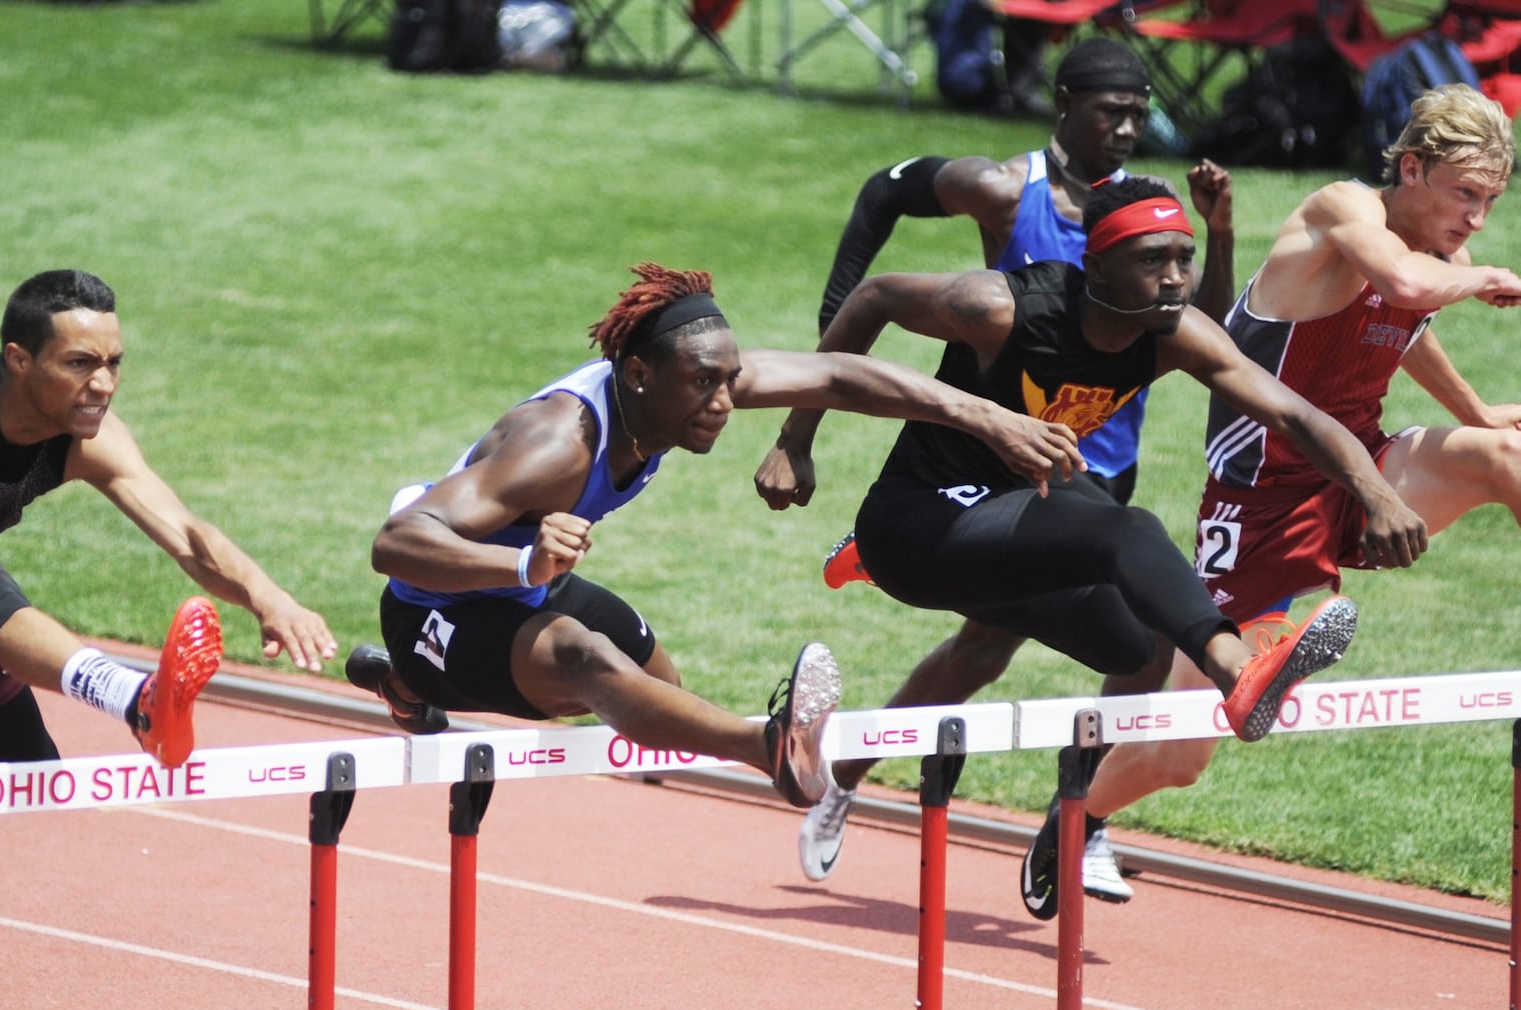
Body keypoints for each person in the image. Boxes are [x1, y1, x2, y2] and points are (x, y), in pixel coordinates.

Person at [756, 175, 1435, 916]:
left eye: (1184, 257)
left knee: (1132, 649)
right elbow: (875, 297)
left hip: (1016, 514)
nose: (1175, 276)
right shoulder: (1003, 308)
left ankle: (1089, 796)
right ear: (1099, 267)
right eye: (1153, 260)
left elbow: (1296, 415)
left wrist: (1376, 492)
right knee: (1127, 529)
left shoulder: (1172, 331)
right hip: (917, 524)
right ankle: (1238, 670)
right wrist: (796, 442)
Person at [346, 261, 1087, 808]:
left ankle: (401, 688)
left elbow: (837, 375)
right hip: (433, 604)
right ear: (638, 374)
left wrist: (988, 417)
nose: (726, 403)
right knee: (587, 661)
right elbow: (396, 542)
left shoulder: (685, 385)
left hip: (528, 576)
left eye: (732, 380)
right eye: (706, 384)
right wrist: (521, 566)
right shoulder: (556, 444)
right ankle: (767, 745)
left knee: (660, 696)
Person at [769, 35, 1234, 902]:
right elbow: (883, 193)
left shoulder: (1148, 215)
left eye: (1139, 113)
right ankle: (853, 775)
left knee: (1090, 645)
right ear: (1062, 104)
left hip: (1092, 468)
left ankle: (1075, 817)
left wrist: (1218, 231)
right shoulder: (1003, 190)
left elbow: (1203, 333)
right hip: (981, 458)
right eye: (1110, 112)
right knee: (987, 644)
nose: (1129, 129)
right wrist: (837, 311)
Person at [1066, 82, 1521, 904]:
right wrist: (1486, 274)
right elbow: (1405, 289)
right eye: (1466, 195)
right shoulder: (1342, 208)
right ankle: (1075, 820)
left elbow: (1408, 326)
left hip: (1366, 468)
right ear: (1410, 168)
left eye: (1491, 202)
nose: (1477, 220)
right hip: (1263, 494)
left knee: (1504, 455)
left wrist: (1480, 411)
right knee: (1182, 754)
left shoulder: (1433, 256)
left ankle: (1292, 627)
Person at [0, 269, 339, 768]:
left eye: (112, 363)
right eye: (79, 363)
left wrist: (270, 599)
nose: (102, 384)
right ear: (19, 359)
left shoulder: (87, 439)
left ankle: (142, 705)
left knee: (32, 779)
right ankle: (135, 699)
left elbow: (186, 535)